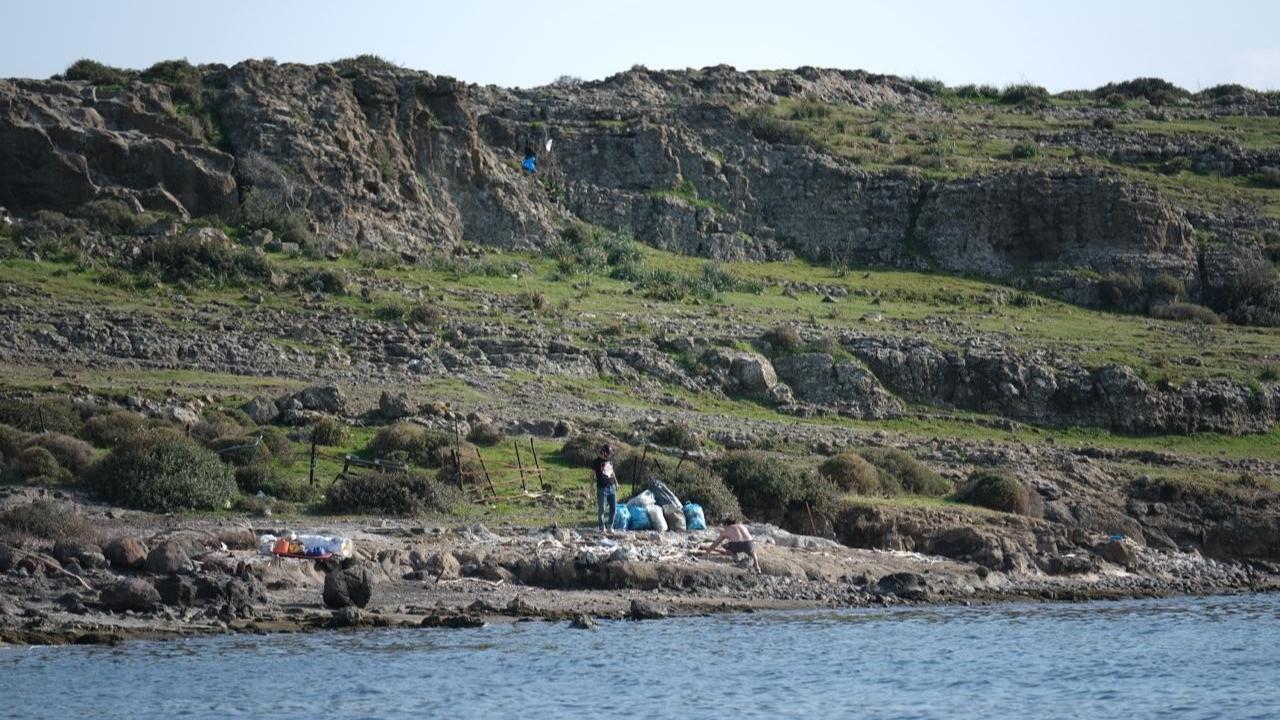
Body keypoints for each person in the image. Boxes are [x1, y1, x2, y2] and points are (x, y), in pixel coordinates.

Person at [590, 444, 617, 531]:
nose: (609, 455)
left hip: (612, 487)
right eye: (608, 454)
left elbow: (612, 472)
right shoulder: (596, 462)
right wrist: (591, 487)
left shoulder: (610, 461)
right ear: (603, 452)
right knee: (602, 509)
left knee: (614, 508)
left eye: (610, 454)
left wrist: (616, 483)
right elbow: (592, 475)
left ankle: (610, 526)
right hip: (602, 488)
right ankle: (602, 527)